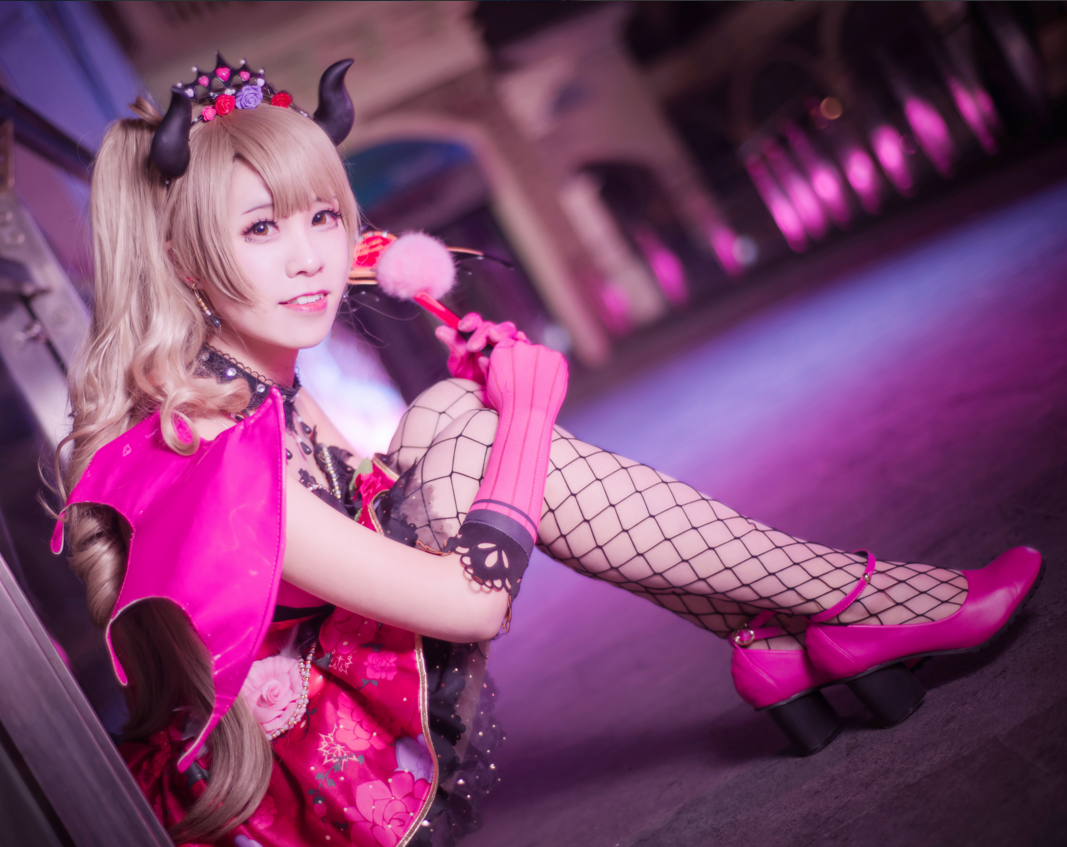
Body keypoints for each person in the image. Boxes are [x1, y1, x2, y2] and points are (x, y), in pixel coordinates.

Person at [52, 56, 1043, 847]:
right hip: (301, 787)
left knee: (451, 408)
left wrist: (488, 405)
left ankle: (781, 633)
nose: (312, 254)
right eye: (262, 227)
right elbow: (470, 601)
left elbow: (380, 507)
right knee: (484, 430)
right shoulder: (211, 447)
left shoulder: (246, 380)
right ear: (185, 261)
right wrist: (526, 414)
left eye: (321, 215)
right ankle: (853, 608)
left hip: (337, 676)